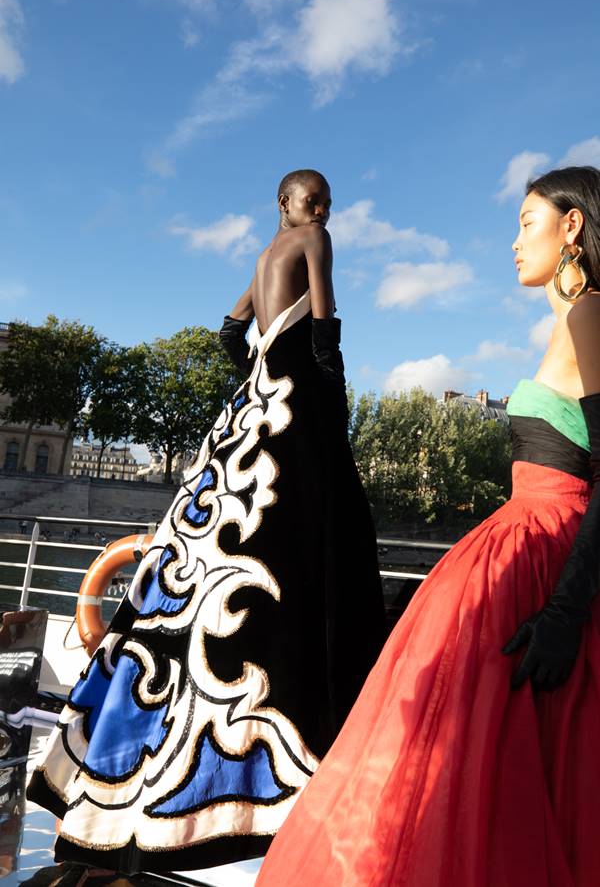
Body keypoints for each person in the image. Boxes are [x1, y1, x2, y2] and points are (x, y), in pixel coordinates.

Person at [27, 169, 385, 874]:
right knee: (312, 534)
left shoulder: (262, 253)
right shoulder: (317, 240)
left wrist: (253, 374)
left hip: (250, 405)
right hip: (295, 404)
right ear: (293, 207)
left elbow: (229, 333)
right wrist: (330, 397)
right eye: (314, 202)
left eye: (322, 204)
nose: (320, 211)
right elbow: (325, 326)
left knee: (199, 540)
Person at [256, 166, 600, 887]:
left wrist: (567, 609)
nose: (513, 243)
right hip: (529, 547)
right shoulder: (572, 320)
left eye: (527, 223)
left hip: (548, 558)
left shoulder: (589, 313)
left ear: (572, 227)